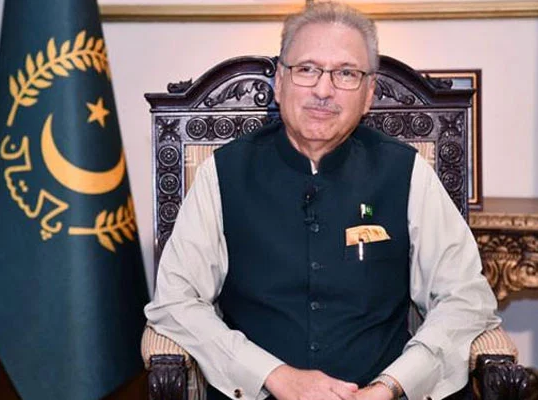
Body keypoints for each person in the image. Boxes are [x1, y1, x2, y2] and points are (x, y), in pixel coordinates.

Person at [144, 2, 500, 400]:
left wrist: (391, 385)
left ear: (368, 94)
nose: (323, 90)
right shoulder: (222, 173)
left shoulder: (407, 171)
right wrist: (274, 375)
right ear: (279, 82)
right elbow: (175, 302)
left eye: (346, 73)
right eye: (307, 69)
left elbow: (465, 296)